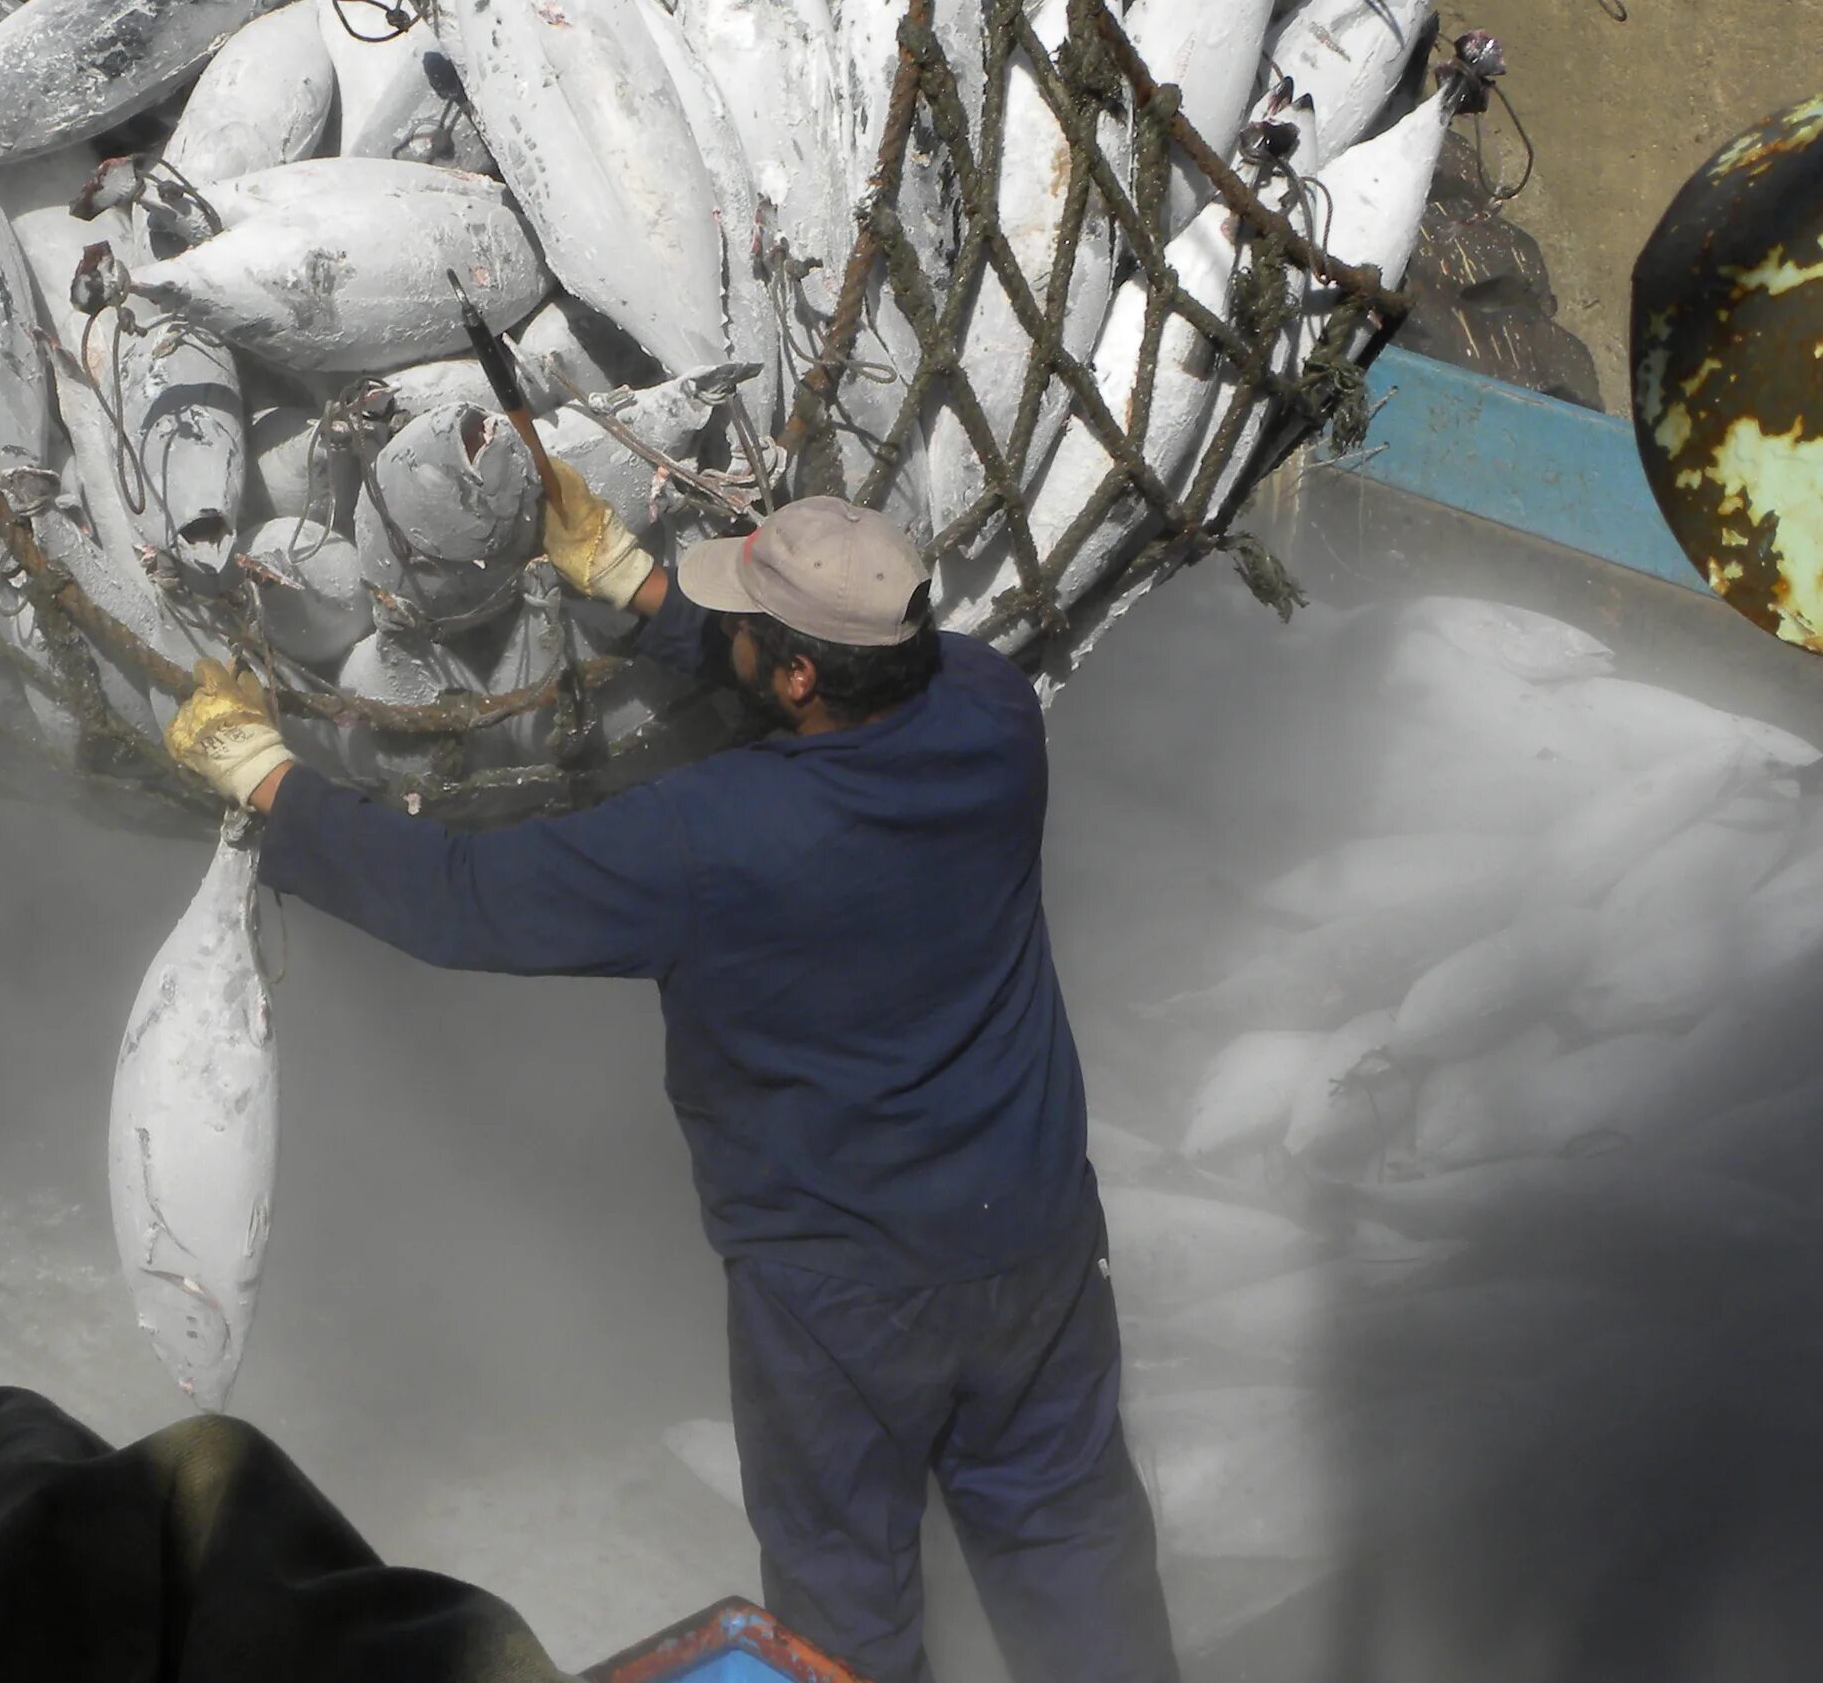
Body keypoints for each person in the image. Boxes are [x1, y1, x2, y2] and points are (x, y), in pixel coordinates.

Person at [165, 472, 1178, 1683]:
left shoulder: (708, 836)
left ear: (797, 676)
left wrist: (271, 779)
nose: (736, 636)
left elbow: (462, 898)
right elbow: (822, 669)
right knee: (1073, 1541)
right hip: (1037, 1250)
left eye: (749, 628)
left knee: (845, 1591)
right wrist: (642, 588)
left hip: (838, 1294)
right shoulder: (996, 712)